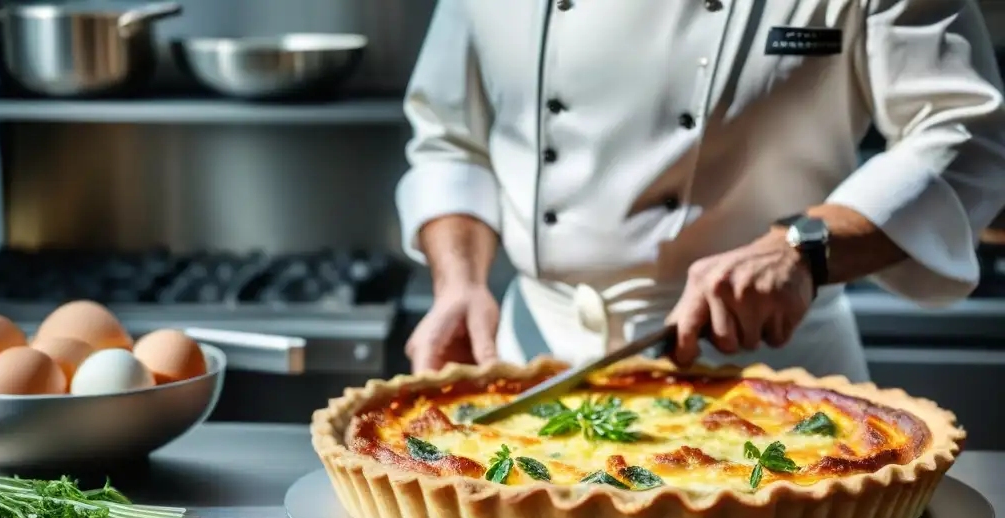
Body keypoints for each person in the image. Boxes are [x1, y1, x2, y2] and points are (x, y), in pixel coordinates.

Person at [396, 0, 1005, 381]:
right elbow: (452, 140)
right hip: (526, 369)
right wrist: (460, 284)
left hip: (772, 380)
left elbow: (970, 132)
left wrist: (800, 248)